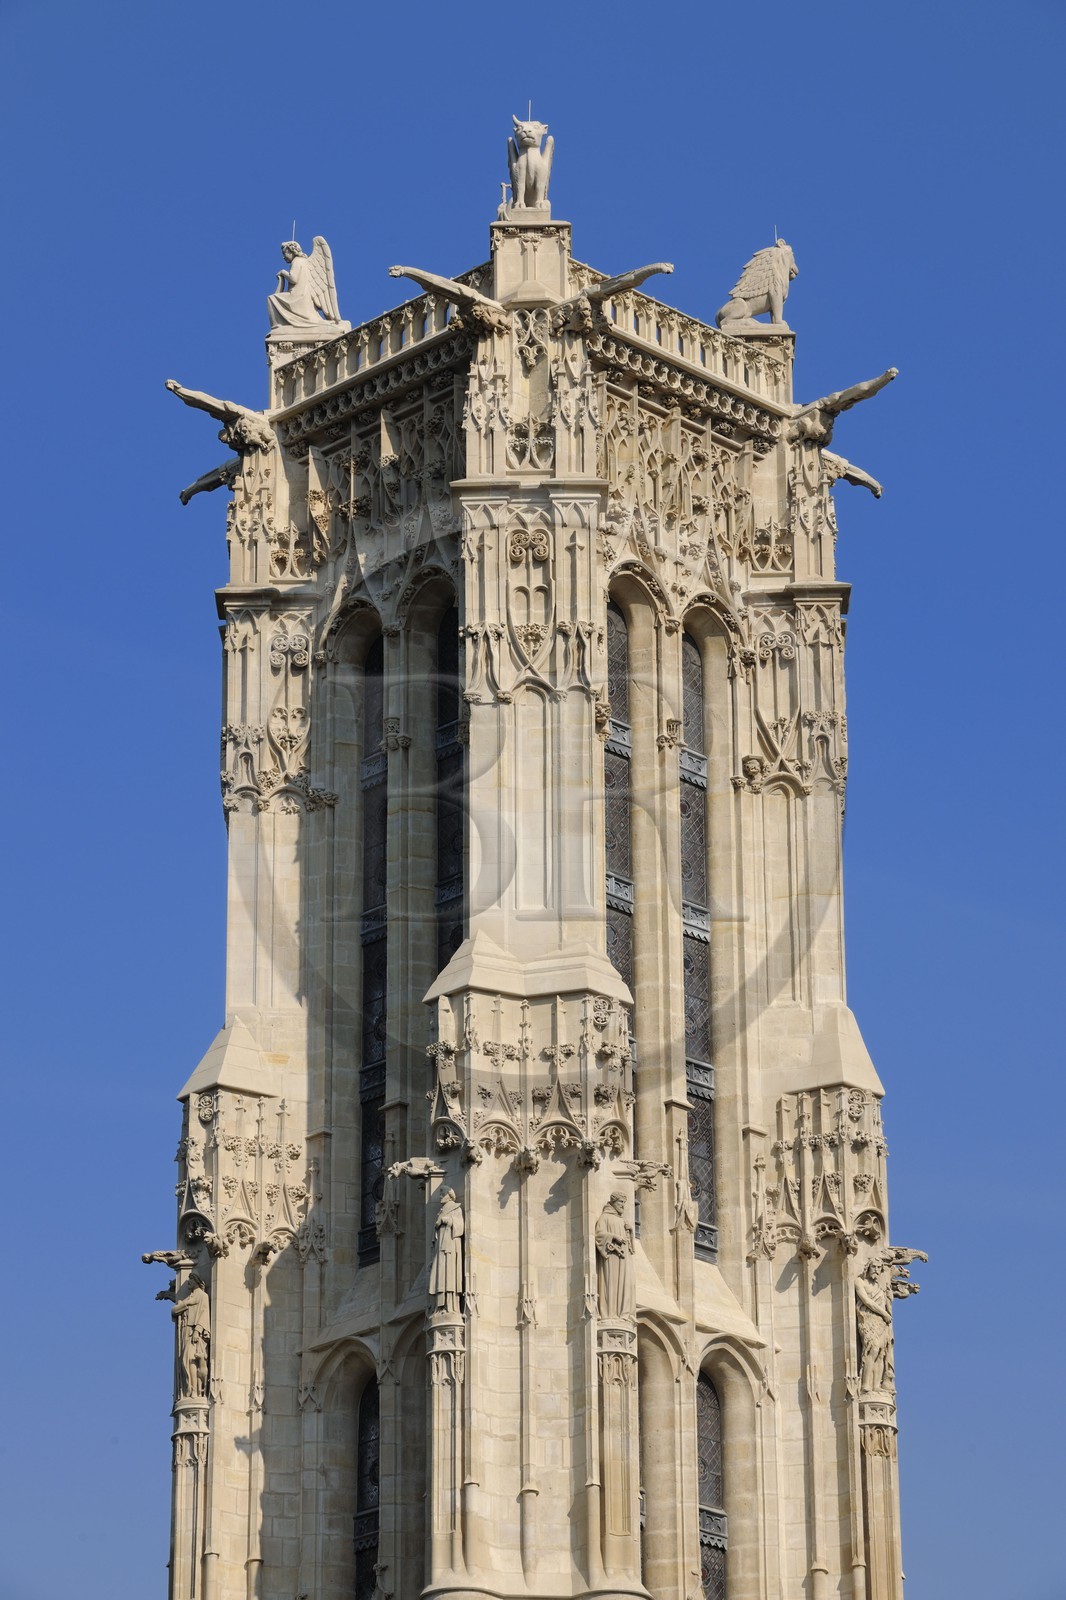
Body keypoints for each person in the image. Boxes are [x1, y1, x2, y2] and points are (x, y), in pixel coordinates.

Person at [595, 1192, 636, 1318]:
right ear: (613, 1203)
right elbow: (599, 1235)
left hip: (624, 1259)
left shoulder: (622, 1220)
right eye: (620, 1202)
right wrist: (614, 1237)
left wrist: (630, 1231)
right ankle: (610, 1313)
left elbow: (631, 1248)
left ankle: (623, 1313)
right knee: (611, 1282)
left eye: (624, 1203)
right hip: (612, 1257)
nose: (623, 1206)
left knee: (625, 1283)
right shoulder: (605, 1217)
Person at [429, 1189, 464, 1316]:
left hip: (450, 1247)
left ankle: (451, 1306)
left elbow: (460, 1228)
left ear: (449, 1196)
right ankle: (439, 1306)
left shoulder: (456, 1209)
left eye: (442, 1195)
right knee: (440, 1275)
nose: (440, 1197)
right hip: (440, 1248)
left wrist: (446, 1221)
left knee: (449, 1275)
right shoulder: (440, 1211)